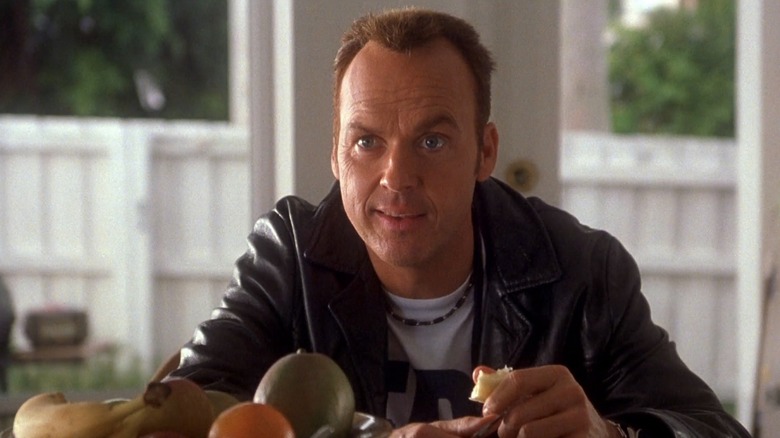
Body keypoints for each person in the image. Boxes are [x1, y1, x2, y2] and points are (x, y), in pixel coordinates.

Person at [169, 7, 750, 437]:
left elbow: (712, 428)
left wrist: (610, 434)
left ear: (485, 152)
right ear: (335, 155)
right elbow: (180, 414)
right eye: (367, 141)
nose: (397, 177)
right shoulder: (289, 257)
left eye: (432, 141)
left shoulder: (582, 272)